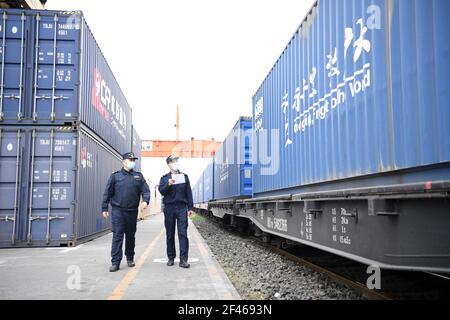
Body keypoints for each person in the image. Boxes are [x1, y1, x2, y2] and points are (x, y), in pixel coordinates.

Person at [102, 152, 150, 272]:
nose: (132, 162)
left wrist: (145, 201)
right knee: (117, 236)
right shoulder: (115, 176)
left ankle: (130, 258)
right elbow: (107, 192)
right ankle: (115, 262)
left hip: (132, 211)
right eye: (130, 159)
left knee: (130, 236)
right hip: (118, 211)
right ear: (123, 161)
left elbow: (146, 191)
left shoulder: (139, 176)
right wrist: (104, 208)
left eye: (133, 160)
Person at [158, 155, 194, 268]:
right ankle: (171, 257)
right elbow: (162, 191)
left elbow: (188, 192)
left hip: (182, 207)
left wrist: (190, 207)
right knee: (170, 234)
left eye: (177, 161)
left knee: (183, 233)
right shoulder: (164, 178)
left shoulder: (184, 177)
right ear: (168, 164)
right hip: (169, 208)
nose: (176, 163)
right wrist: (168, 184)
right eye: (173, 161)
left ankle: (183, 260)